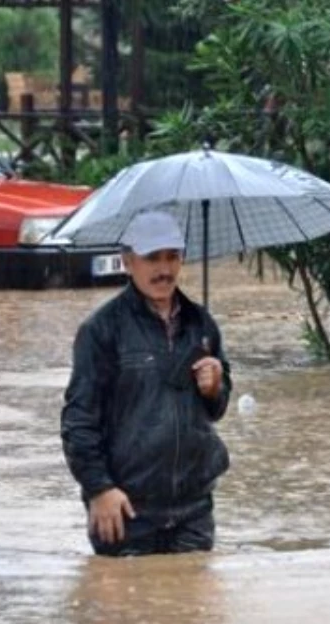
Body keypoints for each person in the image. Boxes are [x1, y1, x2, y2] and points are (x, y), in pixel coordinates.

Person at [61, 210, 232, 556]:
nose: (164, 270)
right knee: (128, 609)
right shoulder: (101, 330)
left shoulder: (202, 325)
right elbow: (78, 423)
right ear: (128, 262)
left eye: (172, 257)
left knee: (194, 609)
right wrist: (99, 490)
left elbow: (215, 411)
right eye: (152, 258)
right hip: (125, 510)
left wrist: (216, 386)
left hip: (194, 509)